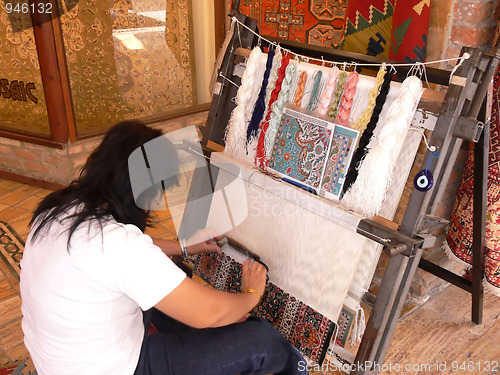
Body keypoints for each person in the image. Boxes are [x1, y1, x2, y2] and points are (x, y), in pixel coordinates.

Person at [20, 120, 308, 375]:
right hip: (117, 368)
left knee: (172, 280)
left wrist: (184, 246)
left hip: (58, 361)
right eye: (159, 189)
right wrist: (251, 294)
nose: (158, 201)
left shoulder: (60, 209)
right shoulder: (120, 247)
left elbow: (118, 260)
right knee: (263, 341)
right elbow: (206, 312)